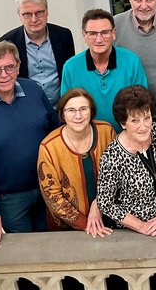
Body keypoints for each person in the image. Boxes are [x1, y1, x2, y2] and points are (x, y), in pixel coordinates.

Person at [0, 42, 59, 252]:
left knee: (54, 245)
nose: (3, 74)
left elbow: (56, 130)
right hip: (9, 200)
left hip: (47, 187)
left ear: (18, 65)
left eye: (9, 67)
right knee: (27, 253)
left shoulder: (34, 90)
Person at [97, 85, 156, 237]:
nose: (143, 126)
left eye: (147, 118)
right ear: (123, 123)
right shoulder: (113, 156)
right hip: (133, 233)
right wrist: (143, 227)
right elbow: (105, 203)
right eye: (134, 120)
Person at [37, 88, 115, 236]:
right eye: (71, 110)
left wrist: (98, 204)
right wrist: (88, 225)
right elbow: (52, 196)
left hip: (109, 221)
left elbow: (118, 175)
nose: (78, 116)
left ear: (91, 111)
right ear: (62, 114)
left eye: (83, 109)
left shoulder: (107, 131)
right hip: (67, 229)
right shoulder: (49, 146)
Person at [61, 9, 148, 132]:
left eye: (105, 32)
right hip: (88, 138)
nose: (99, 39)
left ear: (114, 33)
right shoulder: (71, 67)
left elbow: (141, 105)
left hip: (127, 137)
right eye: (92, 33)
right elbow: (68, 110)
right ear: (84, 35)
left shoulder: (131, 62)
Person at [0, 0, 75, 106]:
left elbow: (69, 76)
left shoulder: (64, 36)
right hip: (28, 110)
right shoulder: (7, 43)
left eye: (39, 12)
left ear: (47, 11)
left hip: (61, 109)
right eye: (27, 14)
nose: (34, 19)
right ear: (19, 15)